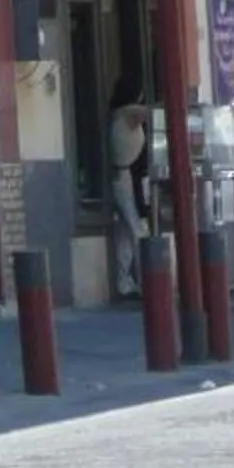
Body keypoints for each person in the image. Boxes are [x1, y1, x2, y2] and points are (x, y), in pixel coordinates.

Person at [107, 77, 151, 300]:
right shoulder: (128, 113)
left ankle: (125, 281)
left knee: (124, 232)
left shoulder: (118, 114)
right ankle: (149, 279)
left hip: (122, 176)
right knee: (137, 229)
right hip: (126, 177)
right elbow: (150, 112)